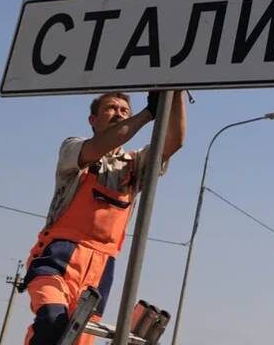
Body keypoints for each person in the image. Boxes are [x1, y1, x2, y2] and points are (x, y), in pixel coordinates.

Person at [21, 90, 187, 345]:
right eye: (111, 108)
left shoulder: (133, 164)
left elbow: (172, 143)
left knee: (78, 339)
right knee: (52, 320)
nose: (119, 113)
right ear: (93, 120)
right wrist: (147, 114)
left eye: (124, 110)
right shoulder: (74, 149)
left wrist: (177, 89)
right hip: (59, 256)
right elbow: (99, 146)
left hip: (101, 267)